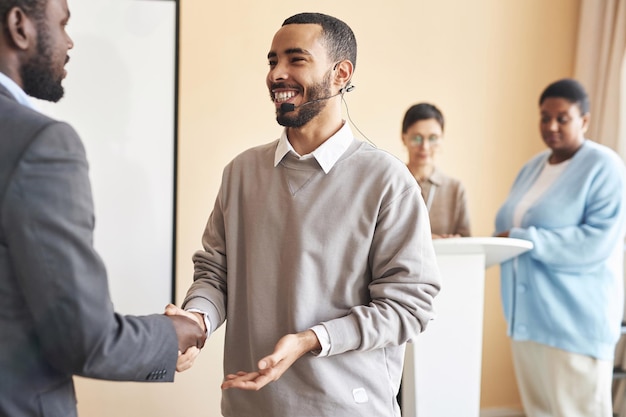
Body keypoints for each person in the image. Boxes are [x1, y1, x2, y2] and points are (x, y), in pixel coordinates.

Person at [166, 12, 441, 417]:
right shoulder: (241, 172)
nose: (277, 73)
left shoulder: (387, 181)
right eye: (272, 60)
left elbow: (409, 307)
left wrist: (312, 338)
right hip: (248, 405)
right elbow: (215, 275)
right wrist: (196, 322)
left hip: (343, 408)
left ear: (340, 73)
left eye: (296, 60)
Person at [0, 0, 206, 415]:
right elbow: (84, 338)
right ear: (19, 26)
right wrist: (172, 335)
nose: (69, 41)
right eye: (63, 23)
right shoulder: (40, 143)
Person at [494, 78, 626, 417]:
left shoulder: (605, 167)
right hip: (527, 318)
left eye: (562, 118)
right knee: (539, 411)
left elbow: (595, 242)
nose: (551, 126)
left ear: (584, 120)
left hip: (574, 323)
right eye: (544, 117)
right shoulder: (533, 166)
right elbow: (506, 229)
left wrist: (526, 239)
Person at [401, 102, 471, 238]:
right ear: (404, 138)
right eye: (417, 138)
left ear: (441, 139)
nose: (425, 146)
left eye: (433, 138)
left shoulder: (455, 189)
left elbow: (466, 242)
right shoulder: (392, 183)